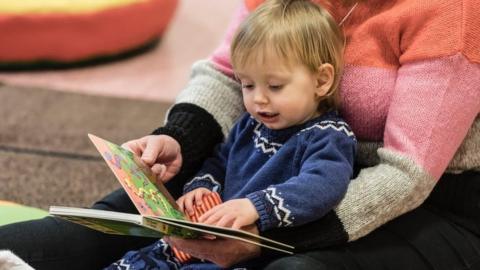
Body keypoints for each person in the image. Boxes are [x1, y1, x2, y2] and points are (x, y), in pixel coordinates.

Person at [1, 0, 479, 269]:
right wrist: (179, 140)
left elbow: (407, 173)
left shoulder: (454, 13)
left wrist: (267, 232)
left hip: (426, 203)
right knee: (124, 221)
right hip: (267, 161)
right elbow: (229, 73)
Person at [106, 0, 356, 268]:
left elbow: (323, 185)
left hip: (247, 253)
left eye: (275, 86)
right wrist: (202, 187)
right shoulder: (250, 124)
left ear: (321, 81)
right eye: (247, 84)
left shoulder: (329, 135)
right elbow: (220, 161)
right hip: (209, 236)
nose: (258, 99)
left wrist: (255, 206)